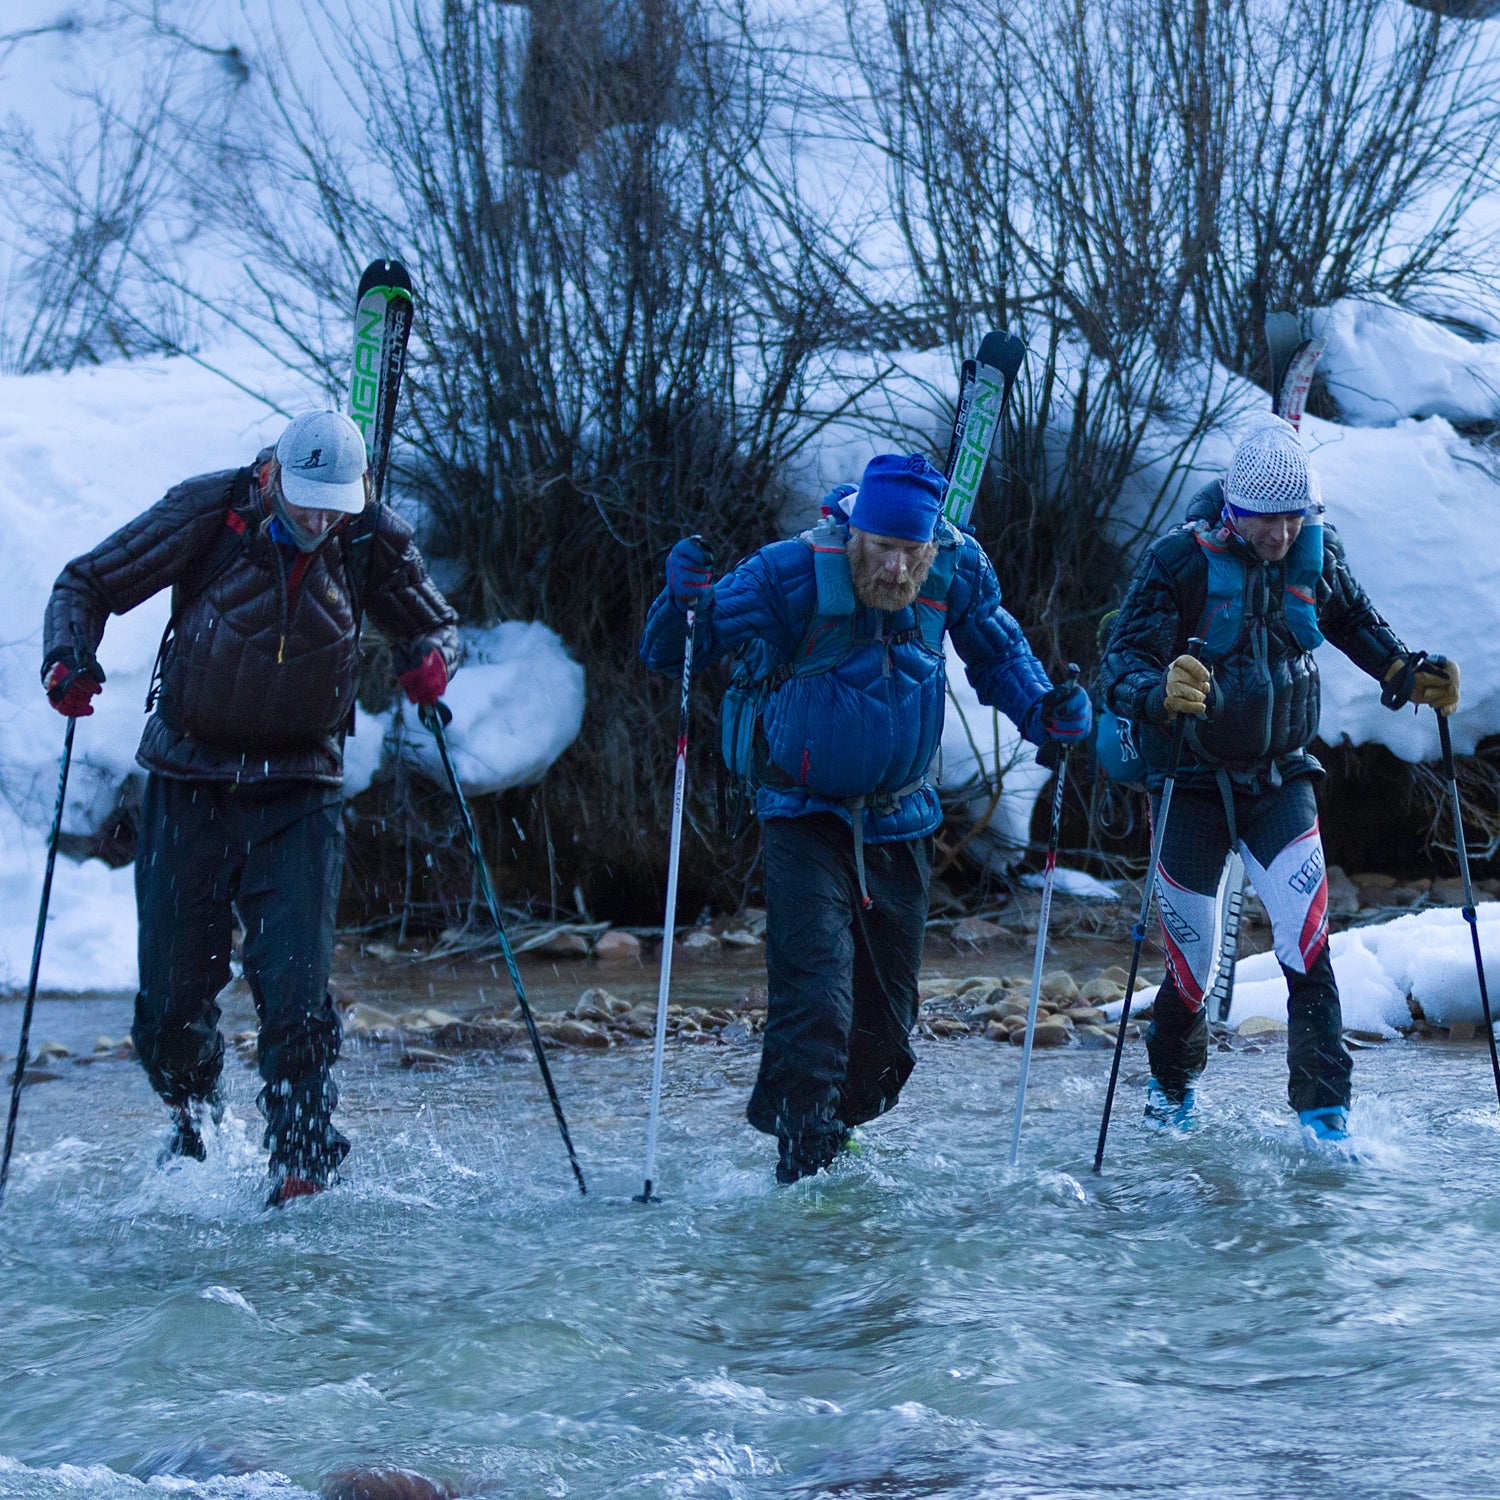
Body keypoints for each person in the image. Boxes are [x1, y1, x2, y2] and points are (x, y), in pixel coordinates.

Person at [41, 410, 459, 1205]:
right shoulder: (210, 511)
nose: (317, 521)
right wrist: (69, 660)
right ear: (272, 478)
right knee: (170, 1010)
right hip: (188, 779)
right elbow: (86, 583)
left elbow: (435, 624)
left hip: (300, 788)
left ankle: (301, 1166)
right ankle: (194, 1115)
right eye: (305, 504)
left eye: (332, 506)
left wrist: (431, 662)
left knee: (297, 995)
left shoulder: (369, 536)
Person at [639, 452, 1091, 1183]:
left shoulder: (954, 569)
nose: (895, 570)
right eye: (883, 549)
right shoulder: (788, 573)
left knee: (886, 1031)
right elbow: (671, 652)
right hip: (803, 816)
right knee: (815, 1000)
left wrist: (1046, 711)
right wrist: (679, 599)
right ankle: (803, 1162)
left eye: (910, 552)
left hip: (901, 819)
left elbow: (1000, 654)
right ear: (855, 533)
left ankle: (833, 1137)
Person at [1098, 414, 1459, 1141]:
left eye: (1295, 518)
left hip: (1281, 779)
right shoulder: (1179, 563)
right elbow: (1119, 666)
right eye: (1268, 520)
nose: (1281, 536)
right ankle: (1171, 1088)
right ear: (1235, 510)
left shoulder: (1317, 556)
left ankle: (1325, 1118)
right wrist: (1156, 691)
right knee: (1192, 969)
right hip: (1190, 785)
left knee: (1309, 943)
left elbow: (1359, 626)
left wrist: (1410, 676)